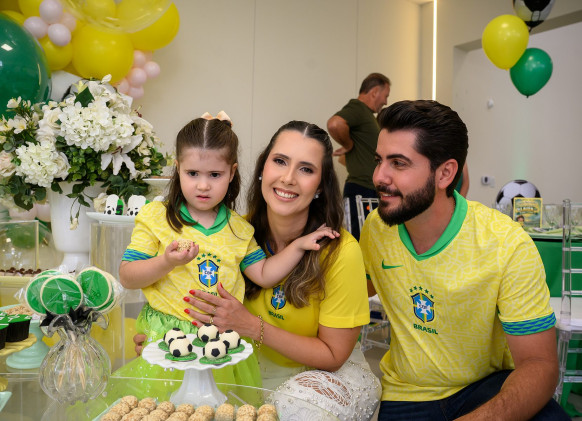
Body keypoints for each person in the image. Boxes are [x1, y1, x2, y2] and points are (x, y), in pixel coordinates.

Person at [133, 120, 381, 420]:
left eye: (306, 169)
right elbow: (177, 286)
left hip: (313, 381)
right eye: (280, 161)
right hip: (232, 366)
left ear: (320, 185)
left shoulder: (338, 251)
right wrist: (165, 338)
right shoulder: (235, 230)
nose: (288, 178)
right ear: (263, 168)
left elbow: (332, 356)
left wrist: (251, 325)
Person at [360, 100, 569, 420]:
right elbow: (353, 293)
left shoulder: (505, 242)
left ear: (445, 173)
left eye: (398, 163)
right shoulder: (377, 229)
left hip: (486, 387)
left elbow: (539, 364)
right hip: (407, 393)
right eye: (379, 161)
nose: (379, 176)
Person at [118, 114, 337, 386]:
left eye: (215, 175)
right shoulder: (156, 217)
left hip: (219, 342)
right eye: (192, 173)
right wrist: (166, 262)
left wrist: (298, 246)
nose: (203, 185)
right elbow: (127, 276)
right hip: (168, 336)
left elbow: (264, 274)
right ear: (178, 168)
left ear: (232, 173)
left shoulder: (239, 229)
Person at [327, 72, 391, 240]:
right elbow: (335, 124)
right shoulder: (358, 108)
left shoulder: (368, 117)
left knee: (372, 243)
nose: (385, 101)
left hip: (369, 191)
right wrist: (348, 145)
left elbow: (346, 159)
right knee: (359, 242)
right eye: (385, 96)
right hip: (360, 191)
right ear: (375, 92)